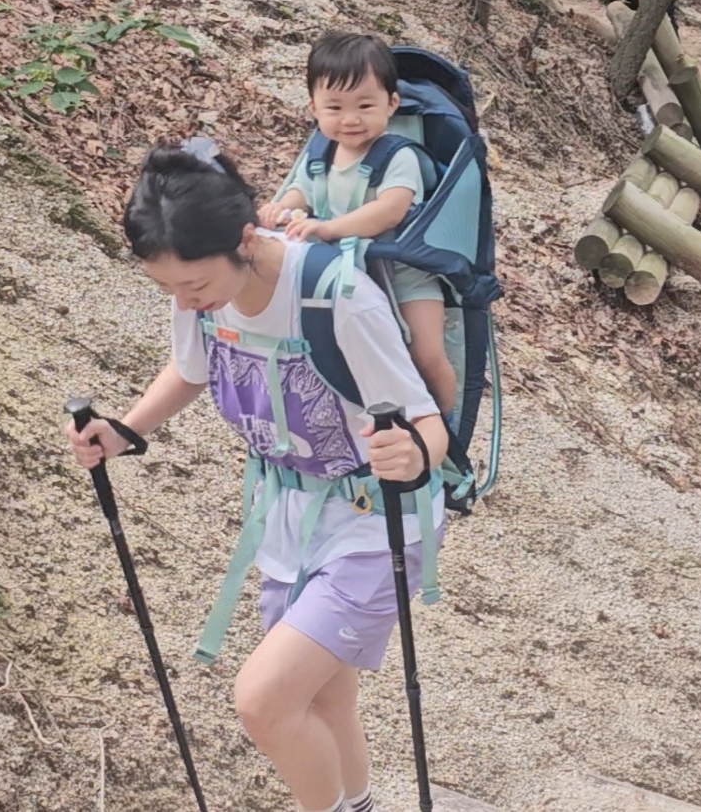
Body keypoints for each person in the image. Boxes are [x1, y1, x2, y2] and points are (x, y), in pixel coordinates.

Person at [67, 140, 447, 812]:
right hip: (288, 519)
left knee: (265, 703)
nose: (186, 301)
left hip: (373, 524)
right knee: (323, 697)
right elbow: (190, 369)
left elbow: (426, 418)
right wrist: (126, 430)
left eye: (195, 285)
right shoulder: (200, 294)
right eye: (168, 287)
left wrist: (414, 454)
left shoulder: (337, 296)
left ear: (248, 239)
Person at [258, 33, 456, 415]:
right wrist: (279, 208)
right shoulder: (319, 153)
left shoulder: (399, 156)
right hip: (345, 276)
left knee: (426, 356)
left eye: (365, 105)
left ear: (391, 103)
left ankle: (444, 438)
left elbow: (390, 210)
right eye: (334, 107)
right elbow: (302, 190)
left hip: (406, 275)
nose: (350, 119)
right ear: (314, 107)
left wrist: (330, 228)